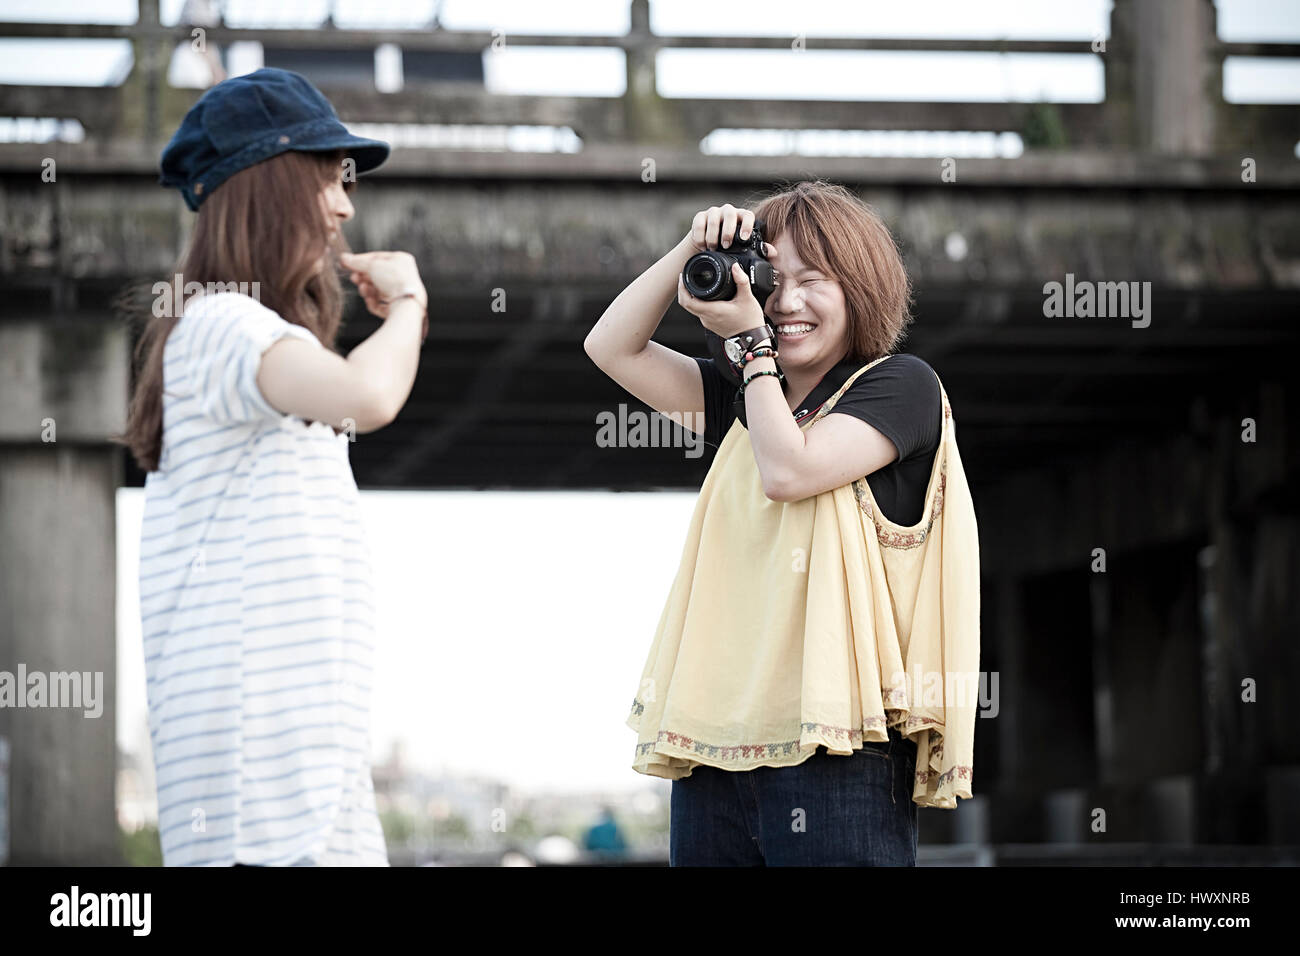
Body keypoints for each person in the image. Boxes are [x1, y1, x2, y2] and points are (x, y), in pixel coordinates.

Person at [585, 181, 981, 866]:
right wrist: (692, 246)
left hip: (842, 753)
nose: (787, 302)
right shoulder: (745, 403)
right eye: (772, 279)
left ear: (861, 287)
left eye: (814, 280)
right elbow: (611, 347)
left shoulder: (902, 386)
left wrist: (748, 343)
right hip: (716, 745)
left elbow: (789, 471)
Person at [116, 68, 428, 866]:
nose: (345, 205)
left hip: (303, 781)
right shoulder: (223, 324)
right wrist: (411, 309)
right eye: (327, 177)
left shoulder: (241, 337)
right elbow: (369, 395)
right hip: (257, 795)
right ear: (272, 186)